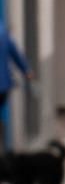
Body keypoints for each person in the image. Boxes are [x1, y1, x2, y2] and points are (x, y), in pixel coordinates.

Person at [0, 17, 33, 151]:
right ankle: (2, 147)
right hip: (4, 86)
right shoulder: (3, 34)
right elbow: (16, 54)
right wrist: (27, 70)